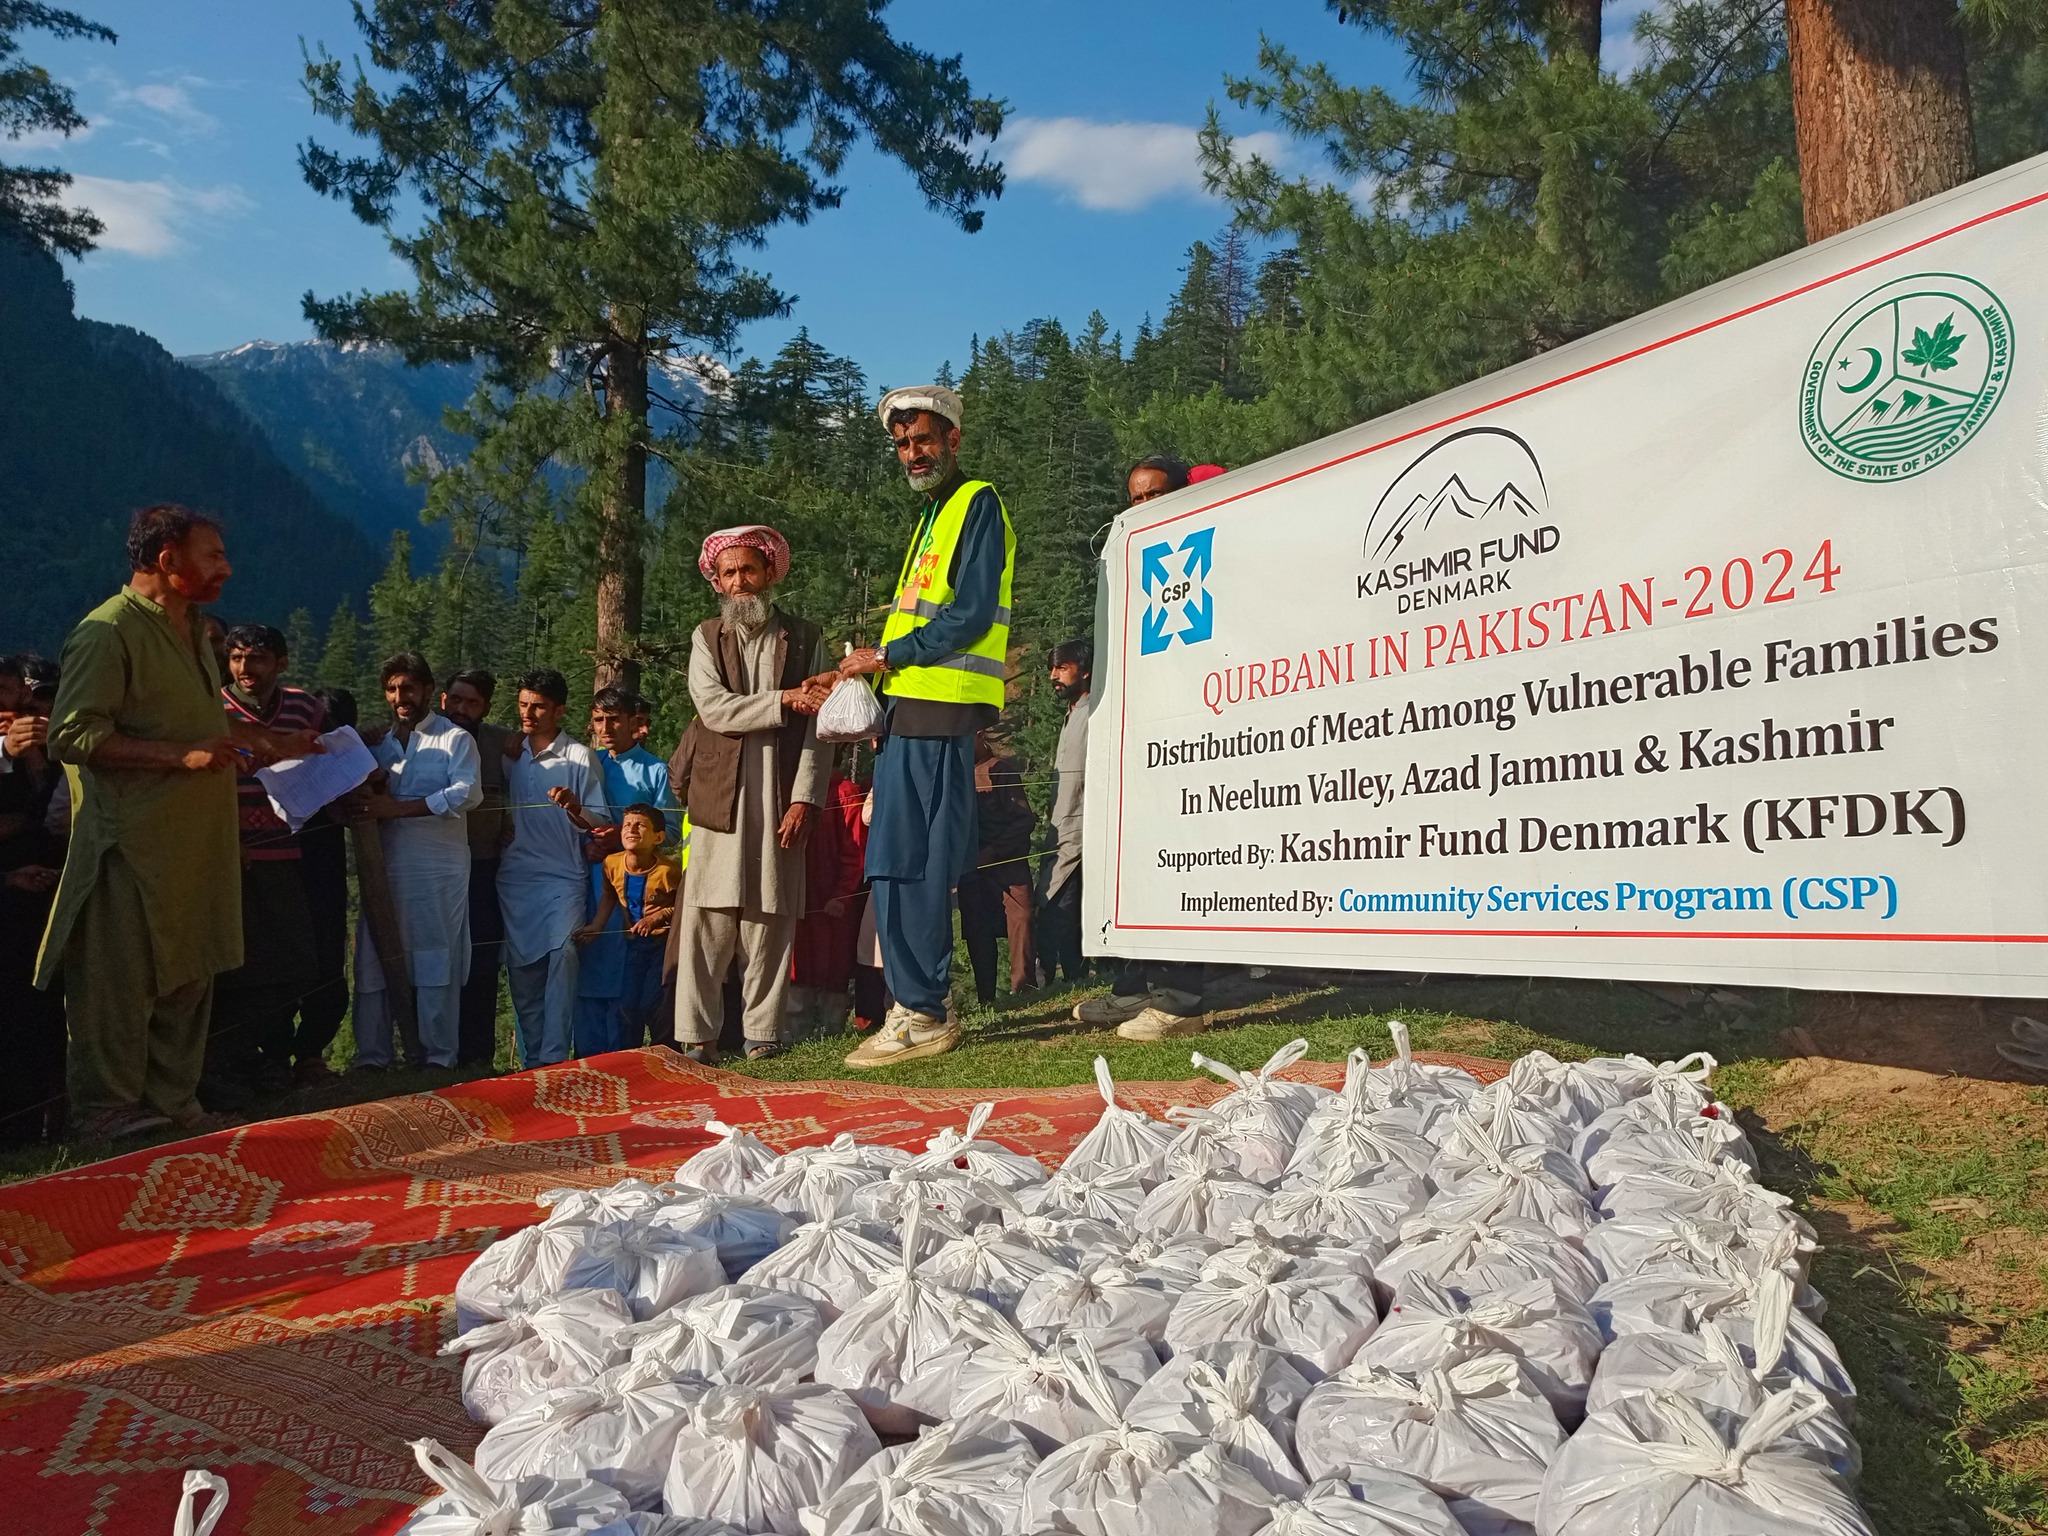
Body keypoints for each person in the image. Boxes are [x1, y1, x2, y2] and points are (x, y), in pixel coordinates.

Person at [37, 504, 319, 1140]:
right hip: (130, 845)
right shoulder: (106, 632)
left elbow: (197, 724)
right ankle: (106, 1110)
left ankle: (174, 1102)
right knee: (120, 981)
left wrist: (270, 741)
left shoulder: (192, 630)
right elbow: (71, 735)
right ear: (168, 560)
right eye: (212, 556)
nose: (227, 568)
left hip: (196, 843)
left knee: (189, 974)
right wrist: (179, 757)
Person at [837, 386, 1015, 1068]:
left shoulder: (977, 503)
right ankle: (910, 1004)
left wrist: (887, 656)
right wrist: (871, 675)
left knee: (917, 862)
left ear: (953, 439)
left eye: (923, 440)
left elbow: (970, 614)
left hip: (942, 709)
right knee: (891, 861)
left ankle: (926, 1010)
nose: (913, 453)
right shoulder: (932, 515)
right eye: (903, 444)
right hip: (907, 710)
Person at [1068, 457, 1214, 1040]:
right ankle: (1135, 987)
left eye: (1156, 494)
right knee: (1133, 860)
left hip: (1193, 729)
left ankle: (1181, 1000)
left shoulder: (1204, 545)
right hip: (1140, 732)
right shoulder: (1130, 559)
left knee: (1178, 859)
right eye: (1135, 498)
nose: (1144, 507)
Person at [673, 526, 828, 1064]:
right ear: (717, 581)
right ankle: (698, 1037)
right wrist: (784, 700)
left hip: (780, 795)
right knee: (707, 916)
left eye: (749, 570)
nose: (739, 581)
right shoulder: (707, 637)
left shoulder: (805, 638)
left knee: (770, 913)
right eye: (729, 573)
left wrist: (806, 797)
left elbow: (823, 726)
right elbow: (714, 709)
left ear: (769, 574)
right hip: (720, 794)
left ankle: (763, 1034)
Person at [206, 623, 326, 1106]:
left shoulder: (302, 707)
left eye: (256, 658)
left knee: (295, 963)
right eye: (236, 658)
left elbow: (327, 754)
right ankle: (225, 1066)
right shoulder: (212, 708)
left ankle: (265, 1058)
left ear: (281, 663)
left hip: (289, 854)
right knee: (233, 968)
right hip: (229, 856)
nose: (244, 668)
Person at [348, 652, 482, 1070]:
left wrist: (398, 809)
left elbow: (467, 793)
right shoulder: (379, 745)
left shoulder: (455, 739)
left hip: (437, 869)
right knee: (373, 956)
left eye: (407, 687)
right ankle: (372, 1056)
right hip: (383, 866)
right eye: (391, 689)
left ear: (428, 690)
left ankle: (436, 1057)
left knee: (435, 957)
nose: (399, 697)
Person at [499, 667, 608, 1066]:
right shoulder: (510, 756)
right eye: (523, 704)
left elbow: (601, 819)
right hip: (514, 878)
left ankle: (555, 1056)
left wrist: (575, 808)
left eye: (539, 706)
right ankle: (533, 1063)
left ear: (559, 710)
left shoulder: (578, 756)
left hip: (564, 875)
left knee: (564, 956)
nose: (528, 714)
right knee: (523, 969)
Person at [575, 685, 682, 1055]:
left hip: (637, 887)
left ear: (633, 723)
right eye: (598, 720)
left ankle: (629, 1054)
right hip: (592, 877)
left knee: (626, 972)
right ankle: (588, 1054)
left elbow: (670, 831)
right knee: (590, 963)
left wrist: (622, 837)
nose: (605, 728)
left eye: (614, 720)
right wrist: (589, 844)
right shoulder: (588, 764)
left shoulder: (655, 770)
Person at [0, 655, 67, 1145]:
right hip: (9, 892)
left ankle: (36, 1122)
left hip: (39, 898)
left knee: (38, 1012)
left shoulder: (43, 750)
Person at [440, 669, 514, 1067]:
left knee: (482, 960)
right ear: (443, 699)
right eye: (456, 699)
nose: (462, 708)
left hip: (484, 868)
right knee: (436, 959)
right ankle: (433, 1051)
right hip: (435, 868)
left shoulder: (500, 743)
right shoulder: (423, 739)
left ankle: (477, 1054)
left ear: (485, 707)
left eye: (472, 702)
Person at [573, 801, 678, 1047]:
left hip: (662, 947)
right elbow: (609, 894)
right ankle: (630, 1055)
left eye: (640, 825)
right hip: (634, 945)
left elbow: (682, 907)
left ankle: (666, 1050)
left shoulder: (668, 871)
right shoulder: (612, 864)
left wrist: (656, 918)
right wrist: (596, 926)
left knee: (654, 1001)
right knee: (627, 1005)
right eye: (627, 825)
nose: (631, 829)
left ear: (658, 837)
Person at [296, 687, 356, 1082]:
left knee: (328, 965)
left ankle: (310, 1054)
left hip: (326, 868)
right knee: (284, 962)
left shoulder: (350, 761)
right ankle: (273, 1056)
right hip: (282, 866)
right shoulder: (287, 758)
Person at [789, 760, 867, 1035]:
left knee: (834, 965)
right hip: (799, 898)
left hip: (832, 903)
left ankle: (832, 1028)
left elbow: (855, 849)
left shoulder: (845, 792)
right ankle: (794, 1031)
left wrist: (842, 895)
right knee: (797, 964)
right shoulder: (788, 791)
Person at [957, 729, 1036, 1004]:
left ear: (979, 736)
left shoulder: (1002, 770)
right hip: (972, 869)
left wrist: (993, 852)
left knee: (1022, 920)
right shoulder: (955, 774)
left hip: (1009, 864)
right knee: (977, 930)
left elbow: (1024, 820)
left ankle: (1024, 992)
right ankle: (986, 1000)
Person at [1038, 638, 1093, 985]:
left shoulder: (1094, 714)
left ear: (1084, 671)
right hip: (1061, 829)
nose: (1053, 676)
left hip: (1082, 830)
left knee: (1062, 908)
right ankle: (1067, 979)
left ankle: (1075, 979)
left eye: (1062, 668)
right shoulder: (1072, 714)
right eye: (1051, 669)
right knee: (1057, 909)